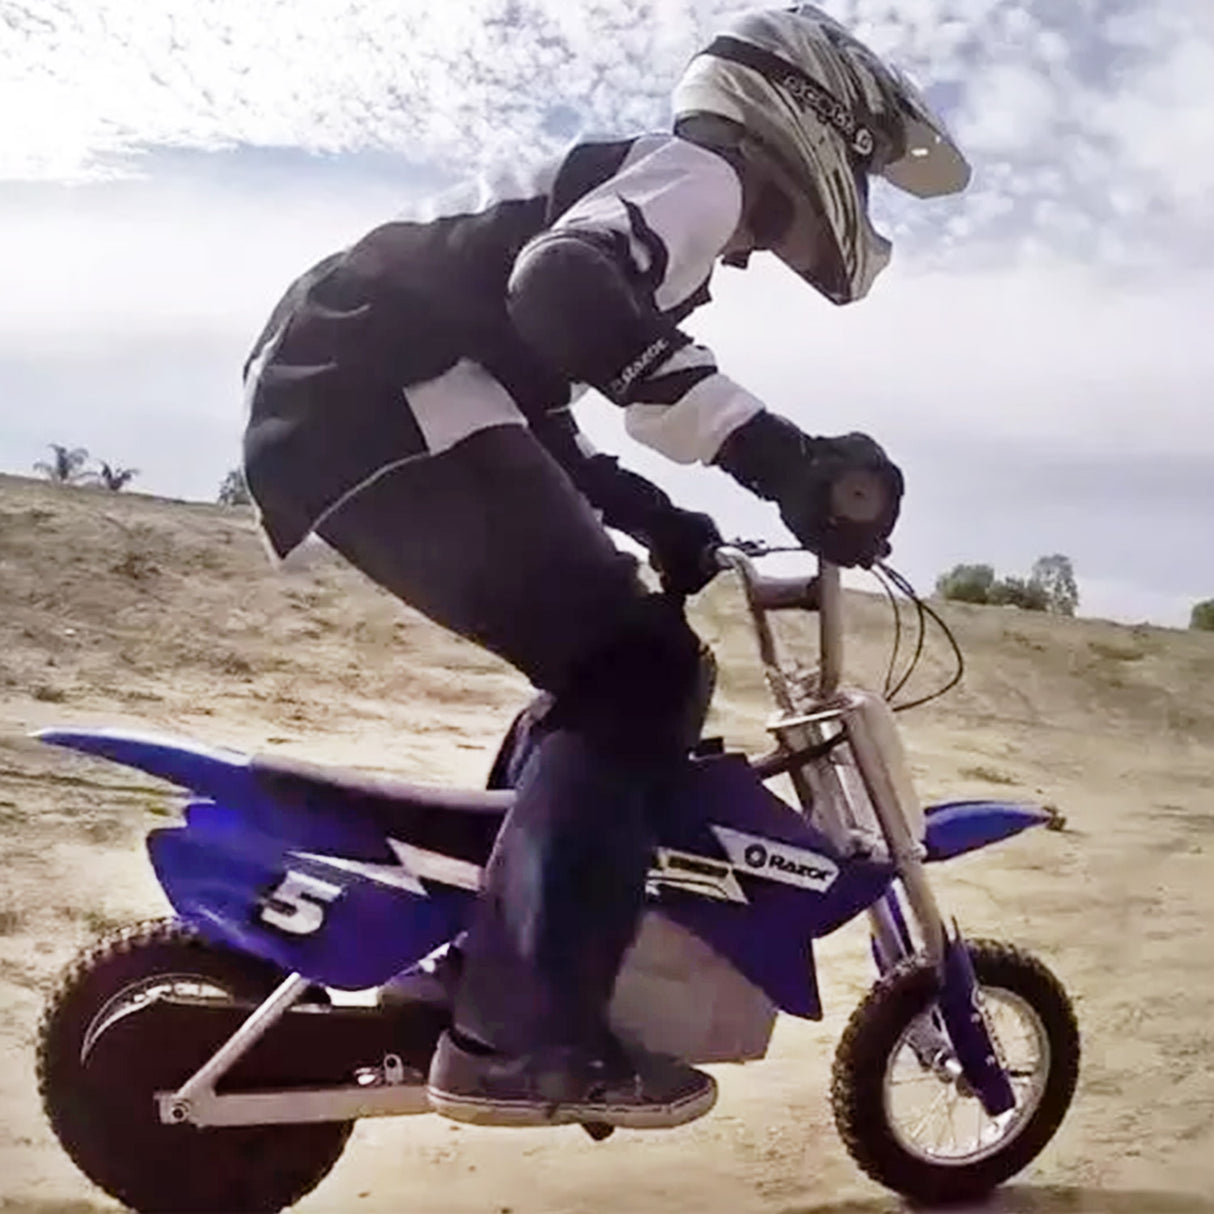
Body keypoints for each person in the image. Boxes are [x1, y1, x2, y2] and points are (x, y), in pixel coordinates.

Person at [240, 4, 970, 1131]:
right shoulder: (705, 172)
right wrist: (780, 456)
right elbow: (565, 295)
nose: (734, 264)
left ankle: (484, 959)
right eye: (859, 168)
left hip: (368, 386)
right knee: (638, 671)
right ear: (810, 116)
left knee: (611, 663)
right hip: (374, 391)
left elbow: (541, 402)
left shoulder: (640, 182)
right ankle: (524, 1027)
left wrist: (657, 514)